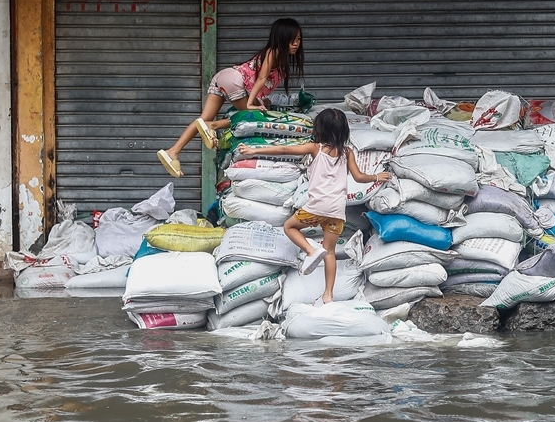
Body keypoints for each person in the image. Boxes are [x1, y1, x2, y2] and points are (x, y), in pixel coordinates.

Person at [238, 108, 390, 304]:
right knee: (330, 252)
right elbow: (359, 177)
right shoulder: (347, 152)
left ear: (320, 129)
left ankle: (310, 251)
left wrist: (254, 151)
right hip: (336, 212)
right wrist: (377, 176)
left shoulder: (315, 148)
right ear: (344, 131)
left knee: (289, 227)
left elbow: (284, 150)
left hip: (316, 208)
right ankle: (328, 295)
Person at [157, 18, 304, 178]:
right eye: (291, 40)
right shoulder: (273, 52)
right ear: (281, 39)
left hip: (225, 76)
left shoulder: (277, 59)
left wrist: (260, 101)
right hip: (236, 80)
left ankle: (173, 151)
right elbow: (261, 79)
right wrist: (250, 103)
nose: (296, 44)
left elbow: (259, 83)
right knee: (253, 116)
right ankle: (212, 126)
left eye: (298, 39)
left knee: (202, 119)